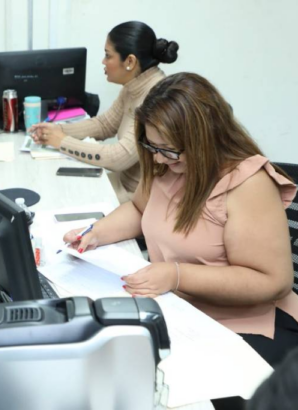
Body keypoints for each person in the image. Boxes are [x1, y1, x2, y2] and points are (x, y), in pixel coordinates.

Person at [65, 72, 298, 367]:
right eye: (152, 147)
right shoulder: (168, 164)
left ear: (204, 139)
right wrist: (96, 233)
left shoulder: (249, 184)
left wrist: (176, 276)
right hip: (180, 309)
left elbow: (273, 281)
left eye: (168, 150)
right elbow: (139, 209)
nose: (158, 159)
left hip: (247, 324)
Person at [30, 21, 179, 203]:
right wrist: (57, 130)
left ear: (130, 61)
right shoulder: (134, 86)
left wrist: (62, 141)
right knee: (56, 188)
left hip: (138, 199)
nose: (103, 61)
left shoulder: (156, 97)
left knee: (61, 198)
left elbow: (118, 157)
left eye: (108, 55)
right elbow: (105, 125)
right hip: (122, 185)